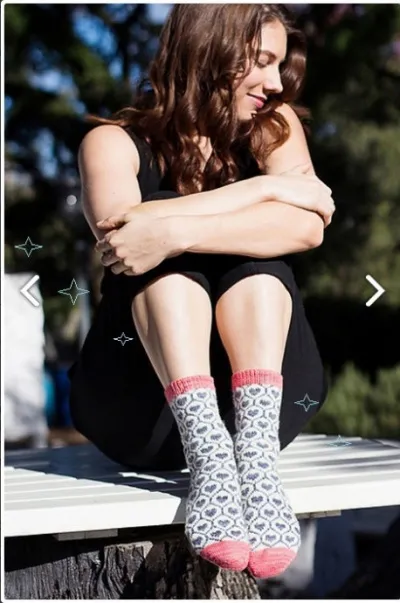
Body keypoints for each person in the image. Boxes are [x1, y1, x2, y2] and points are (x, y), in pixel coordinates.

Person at [68, 4, 335, 580]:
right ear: (208, 50)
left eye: (280, 64)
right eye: (261, 61)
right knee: (167, 233)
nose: (275, 82)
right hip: (143, 410)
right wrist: (264, 192)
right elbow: (126, 240)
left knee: (254, 258)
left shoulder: (273, 127)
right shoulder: (110, 143)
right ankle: (210, 455)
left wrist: (176, 230)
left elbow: (307, 227)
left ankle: (253, 465)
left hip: (263, 408)